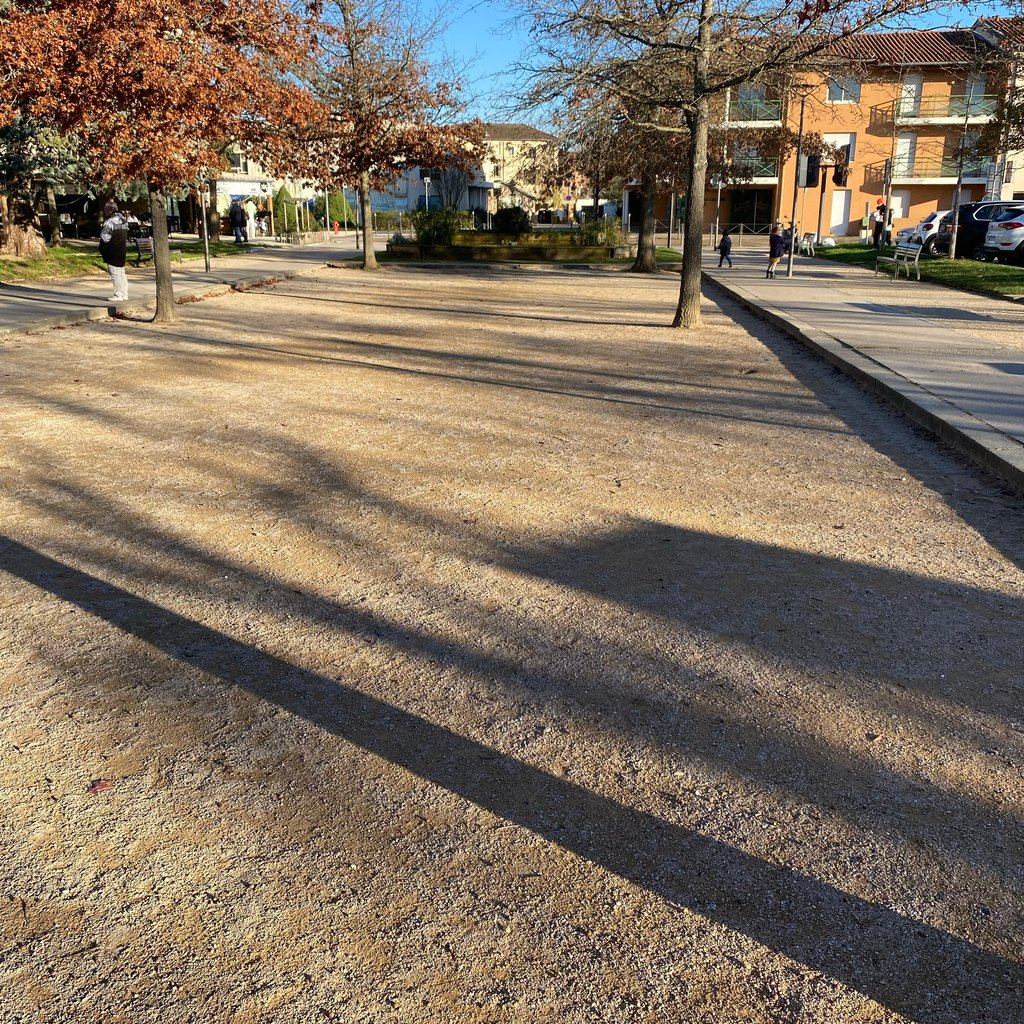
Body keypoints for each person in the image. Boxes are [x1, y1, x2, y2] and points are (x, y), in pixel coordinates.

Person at [98, 200, 128, 302]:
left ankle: (118, 294)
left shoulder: (110, 222)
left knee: (114, 273)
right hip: (121, 249)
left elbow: (104, 238)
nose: (104, 211)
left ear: (110, 210)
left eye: (106, 209)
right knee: (121, 272)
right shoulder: (124, 220)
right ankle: (124, 293)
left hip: (112, 250)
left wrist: (102, 250)